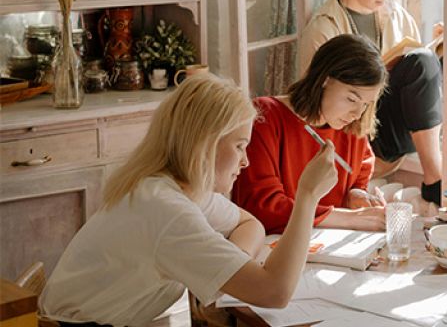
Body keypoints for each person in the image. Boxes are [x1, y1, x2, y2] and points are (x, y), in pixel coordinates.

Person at [39, 74, 338, 326]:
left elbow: (250, 223)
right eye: (239, 146)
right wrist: (307, 196)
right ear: (204, 144)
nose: (246, 161)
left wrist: (231, 266)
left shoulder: (173, 188)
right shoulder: (166, 211)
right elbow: (275, 293)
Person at [298, 0, 444, 206]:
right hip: (362, 135)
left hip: (403, 127)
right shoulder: (323, 28)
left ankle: (438, 163)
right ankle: (435, 180)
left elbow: (416, 82)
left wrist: (438, 48)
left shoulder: (398, 16)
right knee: (421, 62)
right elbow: (316, 108)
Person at [234, 34, 390, 234]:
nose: (358, 113)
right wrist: (351, 219)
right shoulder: (265, 118)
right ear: (325, 79)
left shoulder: (350, 126)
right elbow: (264, 208)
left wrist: (355, 194)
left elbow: (360, 170)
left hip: (329, 246)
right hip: (275, 247)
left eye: (366, 104)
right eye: (352, 99)